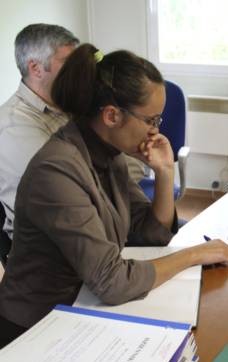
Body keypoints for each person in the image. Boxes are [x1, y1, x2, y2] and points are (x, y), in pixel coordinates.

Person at [0, 44, 228, 348]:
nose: (155, 132)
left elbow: (151, 235)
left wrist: (165, 172)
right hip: (36, 329)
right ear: (111, 115)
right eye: (152, 120)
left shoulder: (108, 154)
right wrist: (193, 255)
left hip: (83, 305)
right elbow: (112, 282)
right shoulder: (57, 171)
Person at [0, 24, 144, 240]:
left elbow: (130, 169)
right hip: (56, 243)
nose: (80, 72)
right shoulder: (12, 128)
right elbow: (64, 193)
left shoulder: (69, 106)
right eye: (69, 63)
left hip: (103, 221)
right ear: (36, 68)